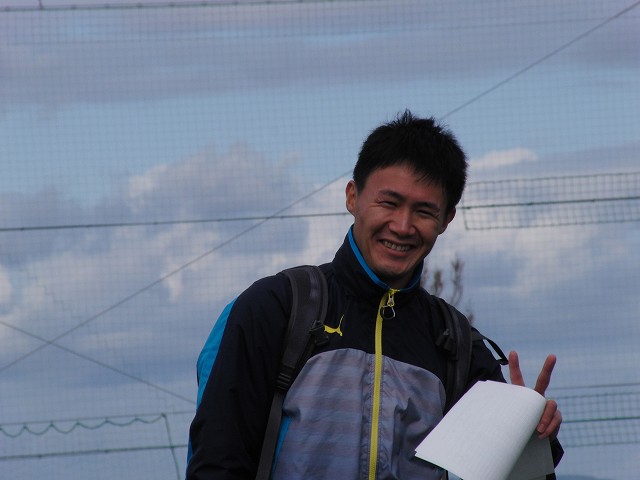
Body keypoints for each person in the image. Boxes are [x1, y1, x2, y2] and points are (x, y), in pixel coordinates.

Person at [186, 110, 563, 479]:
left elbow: (513, 475)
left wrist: (529, 441)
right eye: (389, 203)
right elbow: (217, 462)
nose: (402, 226)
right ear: (352, 197)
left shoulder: (458, 345)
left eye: (424, 211)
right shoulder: (275, 308)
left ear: (446, 219)